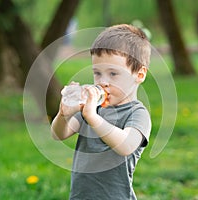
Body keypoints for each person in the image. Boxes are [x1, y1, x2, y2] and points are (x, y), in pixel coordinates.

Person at [51, 24, 152, 200]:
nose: (103, 81)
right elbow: (58, 134)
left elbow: (126, 146)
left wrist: (93, 118)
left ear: (139, 74)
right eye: (97, 73)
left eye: (113, 74)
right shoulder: (92, 107)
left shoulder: (137, 114)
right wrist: (63, 115)